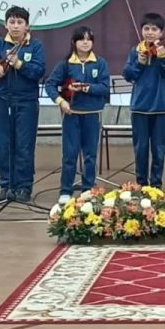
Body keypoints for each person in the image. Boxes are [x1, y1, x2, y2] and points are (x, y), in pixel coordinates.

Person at [0, 6, 46, 203]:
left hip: (27, 102)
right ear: (5, 24)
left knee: (24, 146)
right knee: (4, 145)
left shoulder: (35, 46)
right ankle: (6, 185)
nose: (15, 26)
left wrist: (20, 64)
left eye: (20, 22)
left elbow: (39, 71)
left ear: (27, 26)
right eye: (12, 22)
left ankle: (24, 186)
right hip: (3, 100)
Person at [46, 26, 110, 206]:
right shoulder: (65, 64)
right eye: (81, 39)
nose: (85, 42)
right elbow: (50, 85)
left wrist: (88, 87)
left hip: (92, 114)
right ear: (74, 42)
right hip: (72, 115)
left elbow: (105, 87)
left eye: (89, 39)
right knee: (70, 154)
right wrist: (61, 101)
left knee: (90, 154)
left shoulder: (100, 63)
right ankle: (66, 190)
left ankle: (88, 188)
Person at [122, 13, 165, 190]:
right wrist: (139, 63)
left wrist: (163, 59)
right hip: (140, 107)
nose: (150, 32)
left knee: (159, 149)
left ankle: (156, 186)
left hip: (160, 106)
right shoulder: (135, 51)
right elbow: (128, 76)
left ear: (161, 32)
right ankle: (141, 185)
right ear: (141, 30)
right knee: (141, 149)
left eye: (154, 29)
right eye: (146, 28)